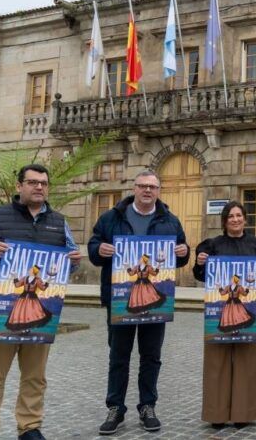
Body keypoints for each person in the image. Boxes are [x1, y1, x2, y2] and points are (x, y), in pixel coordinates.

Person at [0, 164, 82, 440]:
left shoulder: (59, 222)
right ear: (19, 186)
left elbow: (68, 261)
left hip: (41, 314)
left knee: (35, 377)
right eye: (33, 182)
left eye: (44, 183)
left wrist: (73, 262)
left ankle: (29, 428)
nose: (39, 187)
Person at [88, 170, 189, 436]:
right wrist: (99, 249)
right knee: (118, 356)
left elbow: (180, 254)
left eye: (152, 187)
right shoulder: (111, 217)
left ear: (158, 191)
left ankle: (147, 406)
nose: (147, 190)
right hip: (120, 299)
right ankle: (115, 407)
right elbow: (93, 247)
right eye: (143, 186)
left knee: (151, 356)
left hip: (156, 302)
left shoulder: (170, 220)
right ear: (134, 188)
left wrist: (184, 252)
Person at [193, 201, 256, 429]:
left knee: (247, 361)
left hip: (247, 308)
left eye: (239, 215)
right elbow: (201, 275)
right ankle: (216, 414)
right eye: (231, 216)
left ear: (245, 219)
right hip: (219, 309)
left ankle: (243, 412)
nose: (235, 220)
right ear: (224, 221)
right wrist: (200, 263)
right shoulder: (212, 245)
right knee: (216, 362)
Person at [5, 265, 53, 332]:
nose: (29, 270)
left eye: (31, 269)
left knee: (30, 314)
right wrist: (15, 276)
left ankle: (27, 329)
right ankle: (23, 329)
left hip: (32, 300)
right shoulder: (25, 278)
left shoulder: (37, 280)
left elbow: (43, 288)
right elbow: (17, 285)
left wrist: (48, 281)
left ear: (34, 271)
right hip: (22, 298)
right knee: (21, 313)